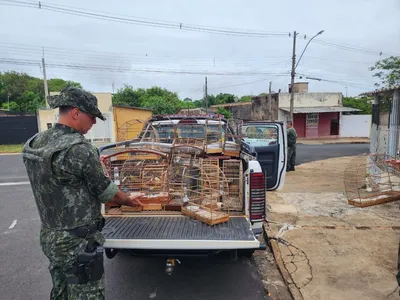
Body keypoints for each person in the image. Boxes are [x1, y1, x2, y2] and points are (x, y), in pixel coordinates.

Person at [21, 86, 144, 300]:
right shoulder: (79, 149)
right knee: (87, 294)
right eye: (92, 116)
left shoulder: (34, 142)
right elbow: (108, 193)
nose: (94, 122)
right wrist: (128, 199)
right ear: (76, 113)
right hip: (77, 243)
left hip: (50, 235)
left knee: (61, 290)